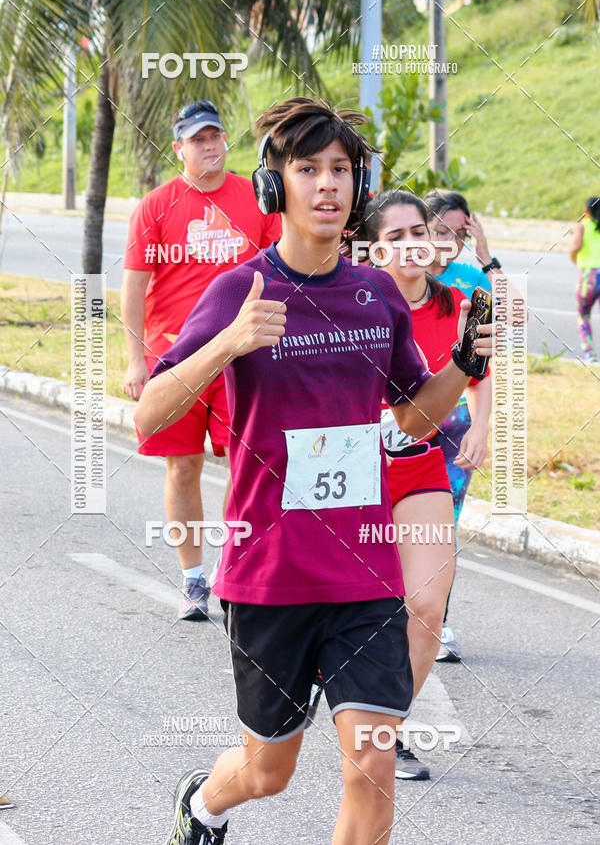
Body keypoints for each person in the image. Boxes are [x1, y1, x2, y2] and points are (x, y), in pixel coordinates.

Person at [134, 97, 494, 845]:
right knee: (269, 772)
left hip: (364, 574)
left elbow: (412, 421)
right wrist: (229, 344)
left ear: (358, 187)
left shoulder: (376, 298)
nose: (327, 185)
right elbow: (150, 416)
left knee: (372, 765)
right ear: (276, 186)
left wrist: (463, 366)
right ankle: (204, 803)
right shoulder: (241, 292)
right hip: (270, 573)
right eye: (308, 169)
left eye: (341, 170)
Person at [121, 100, 281, 620]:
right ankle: (194, 577)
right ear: (179, 149)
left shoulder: (254, 198)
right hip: (176, 358)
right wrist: (134, 361)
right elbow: (134, 286)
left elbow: (279, 269)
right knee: (183, 467)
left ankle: (235, 568)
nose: (208, 145)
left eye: (214, 136)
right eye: (197, 139)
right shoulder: (156, 205)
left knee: (247, 463)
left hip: (242, 355)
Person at [362, 190, 491, 781]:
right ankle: (340, 692)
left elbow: (476, 371)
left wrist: (482, 426)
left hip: (419, 464)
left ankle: (387, 729)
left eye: (420, 232)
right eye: (396, 237)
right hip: (350, 473)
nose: (412, 246)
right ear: (371, 247)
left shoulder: (458, 301)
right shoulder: (350, 301)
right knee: (355, 607)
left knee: (427, 605)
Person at [423, 190, 497, 661]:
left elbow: (506, 327)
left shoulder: (470, 279)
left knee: (442, 526)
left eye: (458, 233)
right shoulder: (394, 277)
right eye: (438, 232)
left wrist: (481, 427)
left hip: (453, 425)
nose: (447, 242)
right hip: (395, 421)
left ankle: (438, 622)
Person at [570, 196, 600, 364]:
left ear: (587, 211)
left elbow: (576, 246)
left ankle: (590, 354)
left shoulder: (581, 226)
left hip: (588, 276)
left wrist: (573, 257)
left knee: (583, 314)